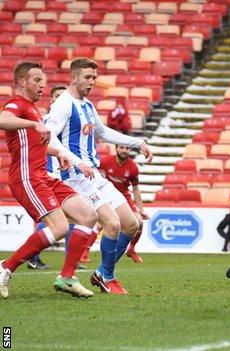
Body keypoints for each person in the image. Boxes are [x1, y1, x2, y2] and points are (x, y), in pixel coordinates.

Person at [44, 58, 153, 295]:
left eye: (94, 77)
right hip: (75, 176)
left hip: (94, 175)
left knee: (132, 224)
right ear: (73, 77)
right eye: (87, 77)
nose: (92, 81)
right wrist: (75, 160)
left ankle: (102, 273)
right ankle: (108, 278)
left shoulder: (87, 105)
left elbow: (103, 133)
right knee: (112, 224)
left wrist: (138, 142)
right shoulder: (64, 104)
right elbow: (48, 136)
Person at [0, 62, 99, 299]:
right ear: (22, 82)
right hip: (26, 177)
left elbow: (35, 145)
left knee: (88, 215)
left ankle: (66, 277)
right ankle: (6, 268)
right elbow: (3, 120)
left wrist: (60, 154)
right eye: (36, 80)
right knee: (60, 227)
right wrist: (34, 124)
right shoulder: (18, 104)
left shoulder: (35, 111)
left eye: (43, 81)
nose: (42, 85)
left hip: (44, 176)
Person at [26, 85, 67, 270]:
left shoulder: (65, 120)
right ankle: (32, 255)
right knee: (54, 219)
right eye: (57, 96)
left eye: (64, 96)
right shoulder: (48, 121)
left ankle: (70, 260)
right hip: (50, 173)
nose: (61, 99)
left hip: (61, 173)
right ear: (51, 100)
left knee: (67, 217)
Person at [98, 144, 150, 263]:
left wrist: (141, 210)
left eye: (127, 148)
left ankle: (131, 249)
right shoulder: (105, 161)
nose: (124, 150)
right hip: (106, 196)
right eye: (121, 147)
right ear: (116, 148)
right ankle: (84, 253)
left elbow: (136, 189)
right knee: (98, 223)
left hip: (124, 198)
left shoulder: (133, 167)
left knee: (139, 222)